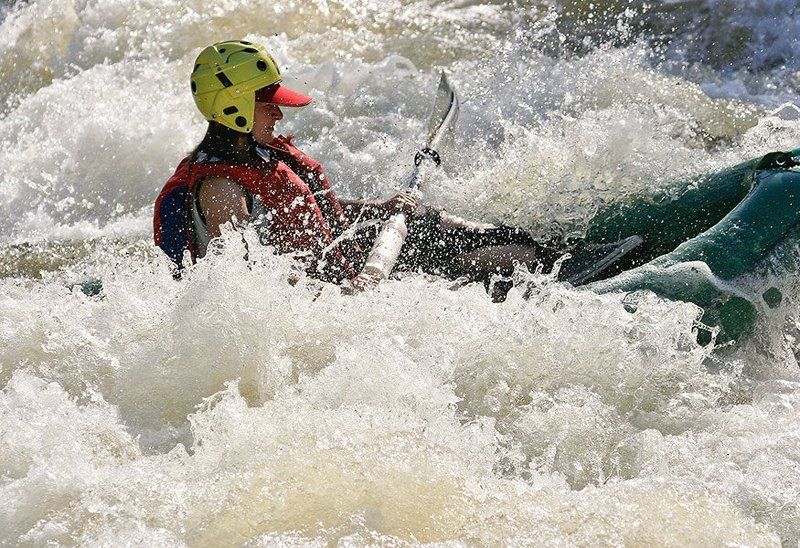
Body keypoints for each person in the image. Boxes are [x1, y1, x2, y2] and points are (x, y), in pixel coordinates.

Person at [154, 40, 561, 297]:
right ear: (234, 107)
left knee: (505, 240)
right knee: (513, 259)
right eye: (267, 102)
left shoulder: (258, 153)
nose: (278, 112)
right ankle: (491, 286)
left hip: (346, 260)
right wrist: (345, 294)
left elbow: (306, 209)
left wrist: (380, 208)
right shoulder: (221, 190)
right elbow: (248, 282)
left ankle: (534, 263)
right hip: (337, 292)